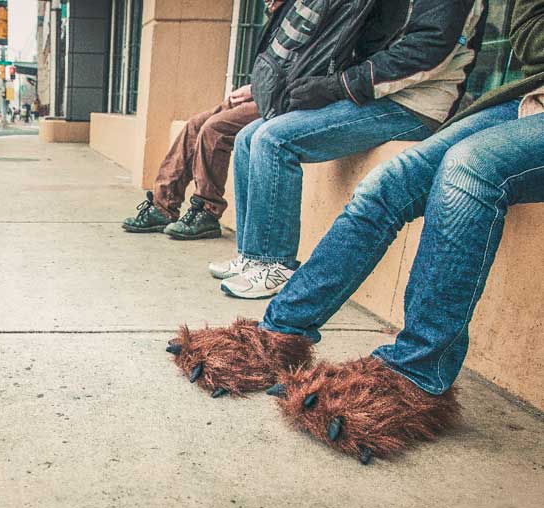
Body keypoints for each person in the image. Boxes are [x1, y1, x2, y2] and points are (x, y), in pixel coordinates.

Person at [170, 0, 544, 465]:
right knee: (388, 181)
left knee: (470, 169)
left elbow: (428, 45)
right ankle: (281, 332)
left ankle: (417, 374)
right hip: (528, 101)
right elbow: (529, 37)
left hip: (419, 99)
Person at [215, 0, 488, 298]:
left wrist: (339, 85)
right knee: (248, 136)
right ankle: (252, 255)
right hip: (373, 98)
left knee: (274, 139)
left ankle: (275, 265)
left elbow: (426, 53)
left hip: (416, 106)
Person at [122, 0, 291, 241]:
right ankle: (163, 205)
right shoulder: (279, 15)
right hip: (265, 93)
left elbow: (303, 70)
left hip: (283, 100)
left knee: (215, 129)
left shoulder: (304, 14)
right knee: (195, 125)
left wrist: (254, 90)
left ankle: (207, 212)